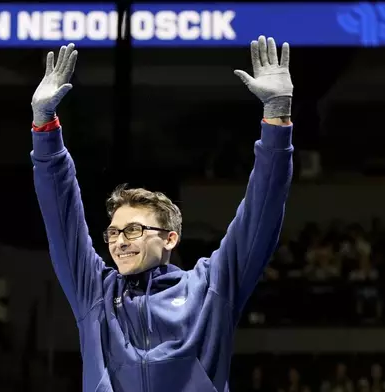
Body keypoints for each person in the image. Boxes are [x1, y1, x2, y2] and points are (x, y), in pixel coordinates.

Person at [30, 36, 294, 392]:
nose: (119, 242)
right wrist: (44, 127)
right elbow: (61, 216)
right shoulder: (95, 293)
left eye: (133, 230)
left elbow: (260, 216)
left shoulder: (210, 288)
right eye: (113, 232)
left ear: (170, 237)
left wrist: (277, 117)